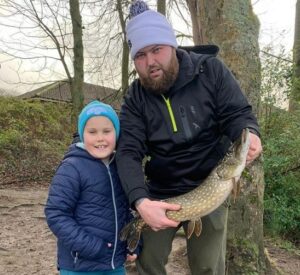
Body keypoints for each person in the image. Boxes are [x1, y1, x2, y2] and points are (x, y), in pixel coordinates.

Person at [115, 1, 262, 274]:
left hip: (209, 181)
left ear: (172, 45)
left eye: (156, 49)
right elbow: (127, 152)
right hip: (160, 192)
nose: (150, 63)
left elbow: (237, 114)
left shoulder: (211, 71)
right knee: (148, 263)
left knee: (208, 267)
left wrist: (250, 133)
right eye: (141, 55)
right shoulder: (135, 98)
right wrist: (141, 202)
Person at [45, 100, 138, 275]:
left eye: (107, 131)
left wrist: (132, 244)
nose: (100, 138)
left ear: (116, 134)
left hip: (115, 263)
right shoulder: (72, 167)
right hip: (80, 265)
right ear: (82, 134)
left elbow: (125, 212)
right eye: (92, 132)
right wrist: (92, 247)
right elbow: (56, 214)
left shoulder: (120, 167)